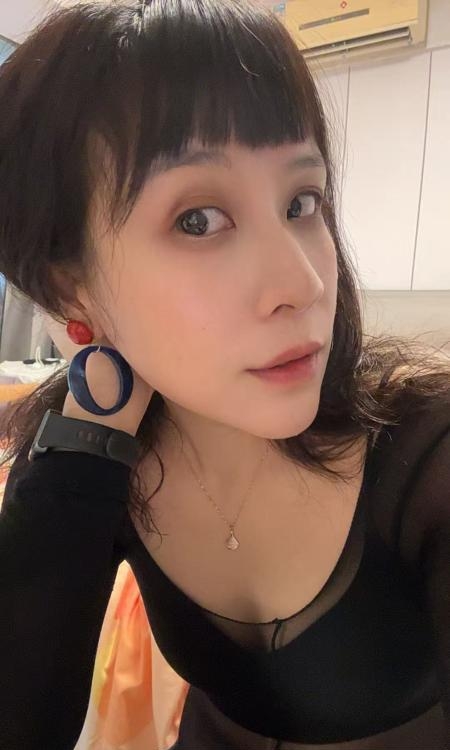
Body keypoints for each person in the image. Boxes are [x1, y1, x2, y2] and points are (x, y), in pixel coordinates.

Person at [0, 1, 449, 748]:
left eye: (302, 201)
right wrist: (91, 438)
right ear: (68, 286)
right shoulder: (94, 450)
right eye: (199, 220)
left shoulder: (428, 449)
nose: (304, 281)